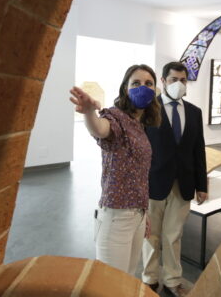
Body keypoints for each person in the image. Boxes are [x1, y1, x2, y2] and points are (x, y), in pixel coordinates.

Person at [69, 64, 162, 275]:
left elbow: (140, 175)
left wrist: (144, 213)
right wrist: (89, 113)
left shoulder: (140, 124)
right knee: (110, 284)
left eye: (149, 83)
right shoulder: (116, 117)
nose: (143, 87)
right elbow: (101, 129)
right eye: (136, 83)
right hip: (116, 218)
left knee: (127, 280)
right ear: (125, 89)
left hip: (138, 215)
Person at [142, 61, 208, 296]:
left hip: (184, 183)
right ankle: (149, 278)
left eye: (182, 80)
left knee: (174, 235)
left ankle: (172, 280)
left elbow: (198, 150)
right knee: (151, 235)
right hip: (153, 182)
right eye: (173, 80)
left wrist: (202, 185)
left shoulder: (194, 112)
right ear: (163, 81)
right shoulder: (148, 109)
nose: (178, 84)